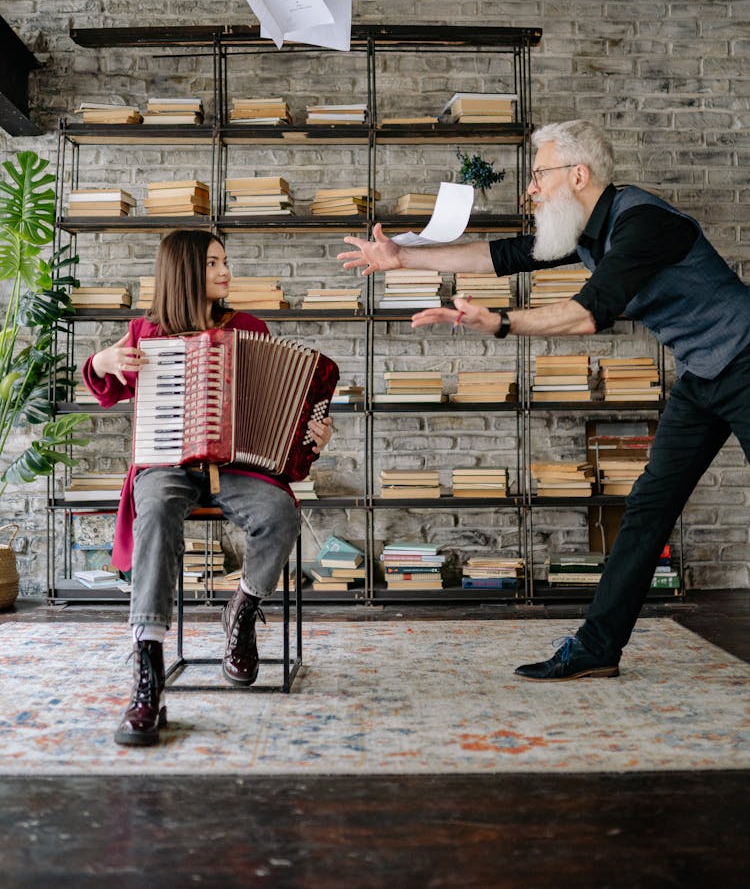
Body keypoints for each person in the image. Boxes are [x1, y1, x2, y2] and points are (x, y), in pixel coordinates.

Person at [338, 118, 750, 680]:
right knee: (648, 509)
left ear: (577, 174)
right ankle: (597, 650)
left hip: (746, 359)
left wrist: (499, 322)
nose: (530, 189)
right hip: (705, 374)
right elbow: (506, 255)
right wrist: (403, 259)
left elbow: (588, 312)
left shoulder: (643, 222)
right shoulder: (584, 228)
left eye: (538, 175)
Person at [83, 230, 332, 745]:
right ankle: (147, 670)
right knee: (153, 513)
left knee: (281, 514)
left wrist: (313, 434)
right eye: (214, 263)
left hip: (240, 467)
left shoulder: (248, 329)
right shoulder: (144, 333)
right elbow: (104, 380)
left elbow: (283, 416)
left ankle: (241, 608)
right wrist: (101, 362)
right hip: (168, 465)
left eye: (226, 261)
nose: (226, 271)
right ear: (185, 272)